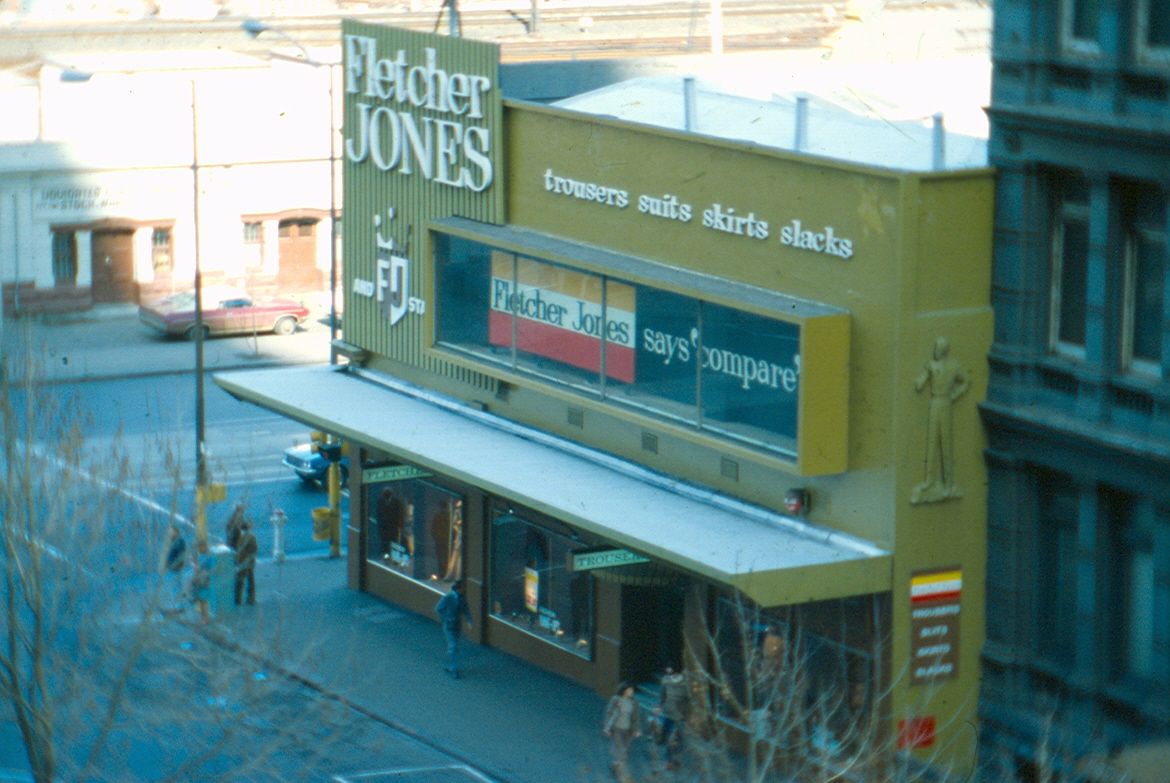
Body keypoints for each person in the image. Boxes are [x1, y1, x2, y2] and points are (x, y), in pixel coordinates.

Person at [911, 336, 970, 504]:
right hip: (935, 402)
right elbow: (919, 384)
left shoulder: (954, 366)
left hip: (945, 402)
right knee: (932, 442)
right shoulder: (931, 366)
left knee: (946, 443)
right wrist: (923, 376)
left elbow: (966, 381)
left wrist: (954, 395)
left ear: (942, 351)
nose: (934, 351)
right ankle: (929, 480)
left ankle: (949, 483)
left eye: (937, 348)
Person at [603, 681, 642, 782]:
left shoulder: (633, 702)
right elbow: (609, 713)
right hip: (617, 728)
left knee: (624, 749)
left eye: (632, 690)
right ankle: (623, 775)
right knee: (621, 750)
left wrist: (636, 729)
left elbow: (635, 717)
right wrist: (607, 727)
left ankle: (616, 765)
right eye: (630, 690)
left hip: (627, 730)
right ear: (624, 690)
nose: (631, 692)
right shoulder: (616, 700)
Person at [435, 579, 472, 678]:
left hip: (457, 625)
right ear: (458, 588)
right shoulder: (448, 597)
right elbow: (438, 608)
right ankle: (454, 669)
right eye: (462, 588)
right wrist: (446, 618)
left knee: (454, 646)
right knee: (453, 646)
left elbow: (466, 610)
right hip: (448, 626)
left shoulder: (461, 598)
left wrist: (469, 621)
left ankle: (452, 665)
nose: (463, 590)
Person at [657, 666, 689, 770]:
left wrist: (688, 715)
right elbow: (663, 695)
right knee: (667, 736)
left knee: (679, 738)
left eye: (672, 673)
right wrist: (660, 707)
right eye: (668, 673)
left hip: (680, 715)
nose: (670, 675)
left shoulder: (685, 683)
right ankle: (669, 760)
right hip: (669, 713)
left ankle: (674, 759)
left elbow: (688, 700)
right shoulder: (666, 681)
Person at [162, 524, 188, 613]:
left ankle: (178, 607)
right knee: (175, 588)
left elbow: (181, 555)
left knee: (176, 588)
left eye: (171, 532)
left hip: (176, 568)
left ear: (176, 532)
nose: (169, 534)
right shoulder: (174, 541)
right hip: (173, 568)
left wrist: (176, 565)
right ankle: (177, 606)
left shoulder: (179, 542)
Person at [234, 520, 258, 605]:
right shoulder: (251, 537)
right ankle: (250, 598)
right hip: (248, 562)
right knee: (250, 580)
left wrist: (240, 562)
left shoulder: (242, 537)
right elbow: (254, 551)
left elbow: (240, 550)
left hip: (243, 562)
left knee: (240, 580)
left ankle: (238, 599)